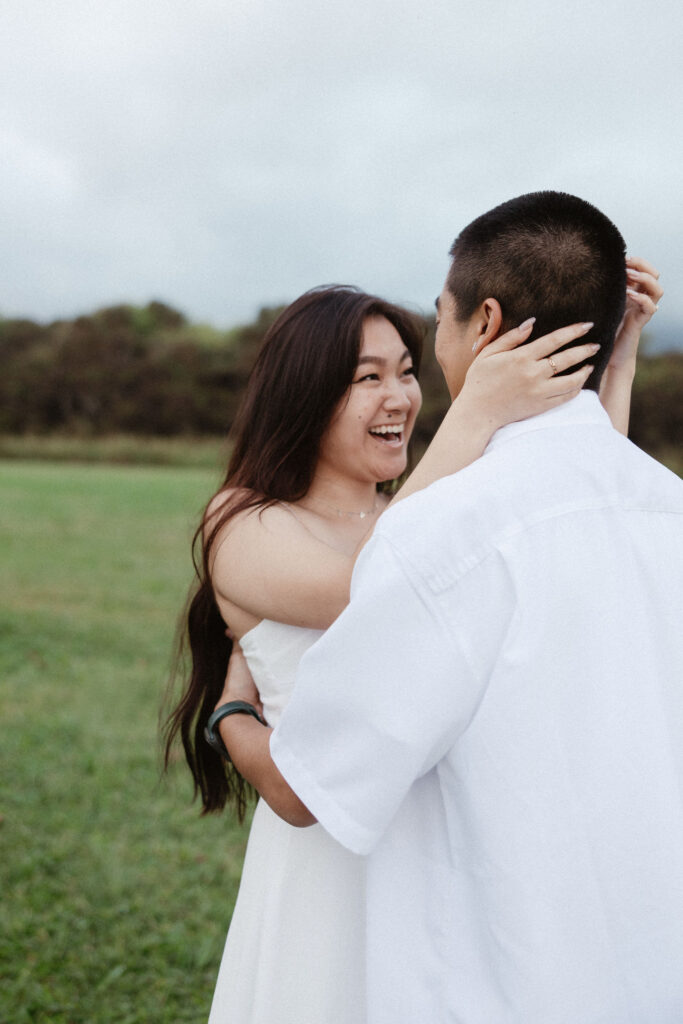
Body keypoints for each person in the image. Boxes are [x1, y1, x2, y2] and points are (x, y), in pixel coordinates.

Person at [215, 193, 680, 1023]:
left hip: (401, 839)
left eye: (409, 363)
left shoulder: (437, 525)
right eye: (367, 377)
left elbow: (487, 532)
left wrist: (230, 710)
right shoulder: (265, 523)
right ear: (303, 390)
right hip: (343, 857)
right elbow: (548, 506)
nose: (403, 393)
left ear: (483, 322)